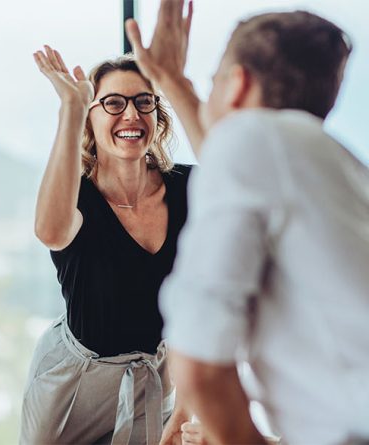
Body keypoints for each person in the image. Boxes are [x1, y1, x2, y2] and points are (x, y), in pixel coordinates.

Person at [126, 1, 369, 444]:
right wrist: (171, 80)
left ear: (237, 85)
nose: (208, 93)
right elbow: (230, 153)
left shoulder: (254, 139)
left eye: (213, 80)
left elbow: (197, 363)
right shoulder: (334, 165)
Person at [20, 45, 200, 445]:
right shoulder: (75, 196)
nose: (131, 114)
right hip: (73, 386)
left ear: (157, 114)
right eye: (113, 103)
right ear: (91, 118)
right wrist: (71, 106)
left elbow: (203, 308)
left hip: (153, 379)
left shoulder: (191, 188)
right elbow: (50, 232)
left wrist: (186, 407)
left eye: (143, 102)